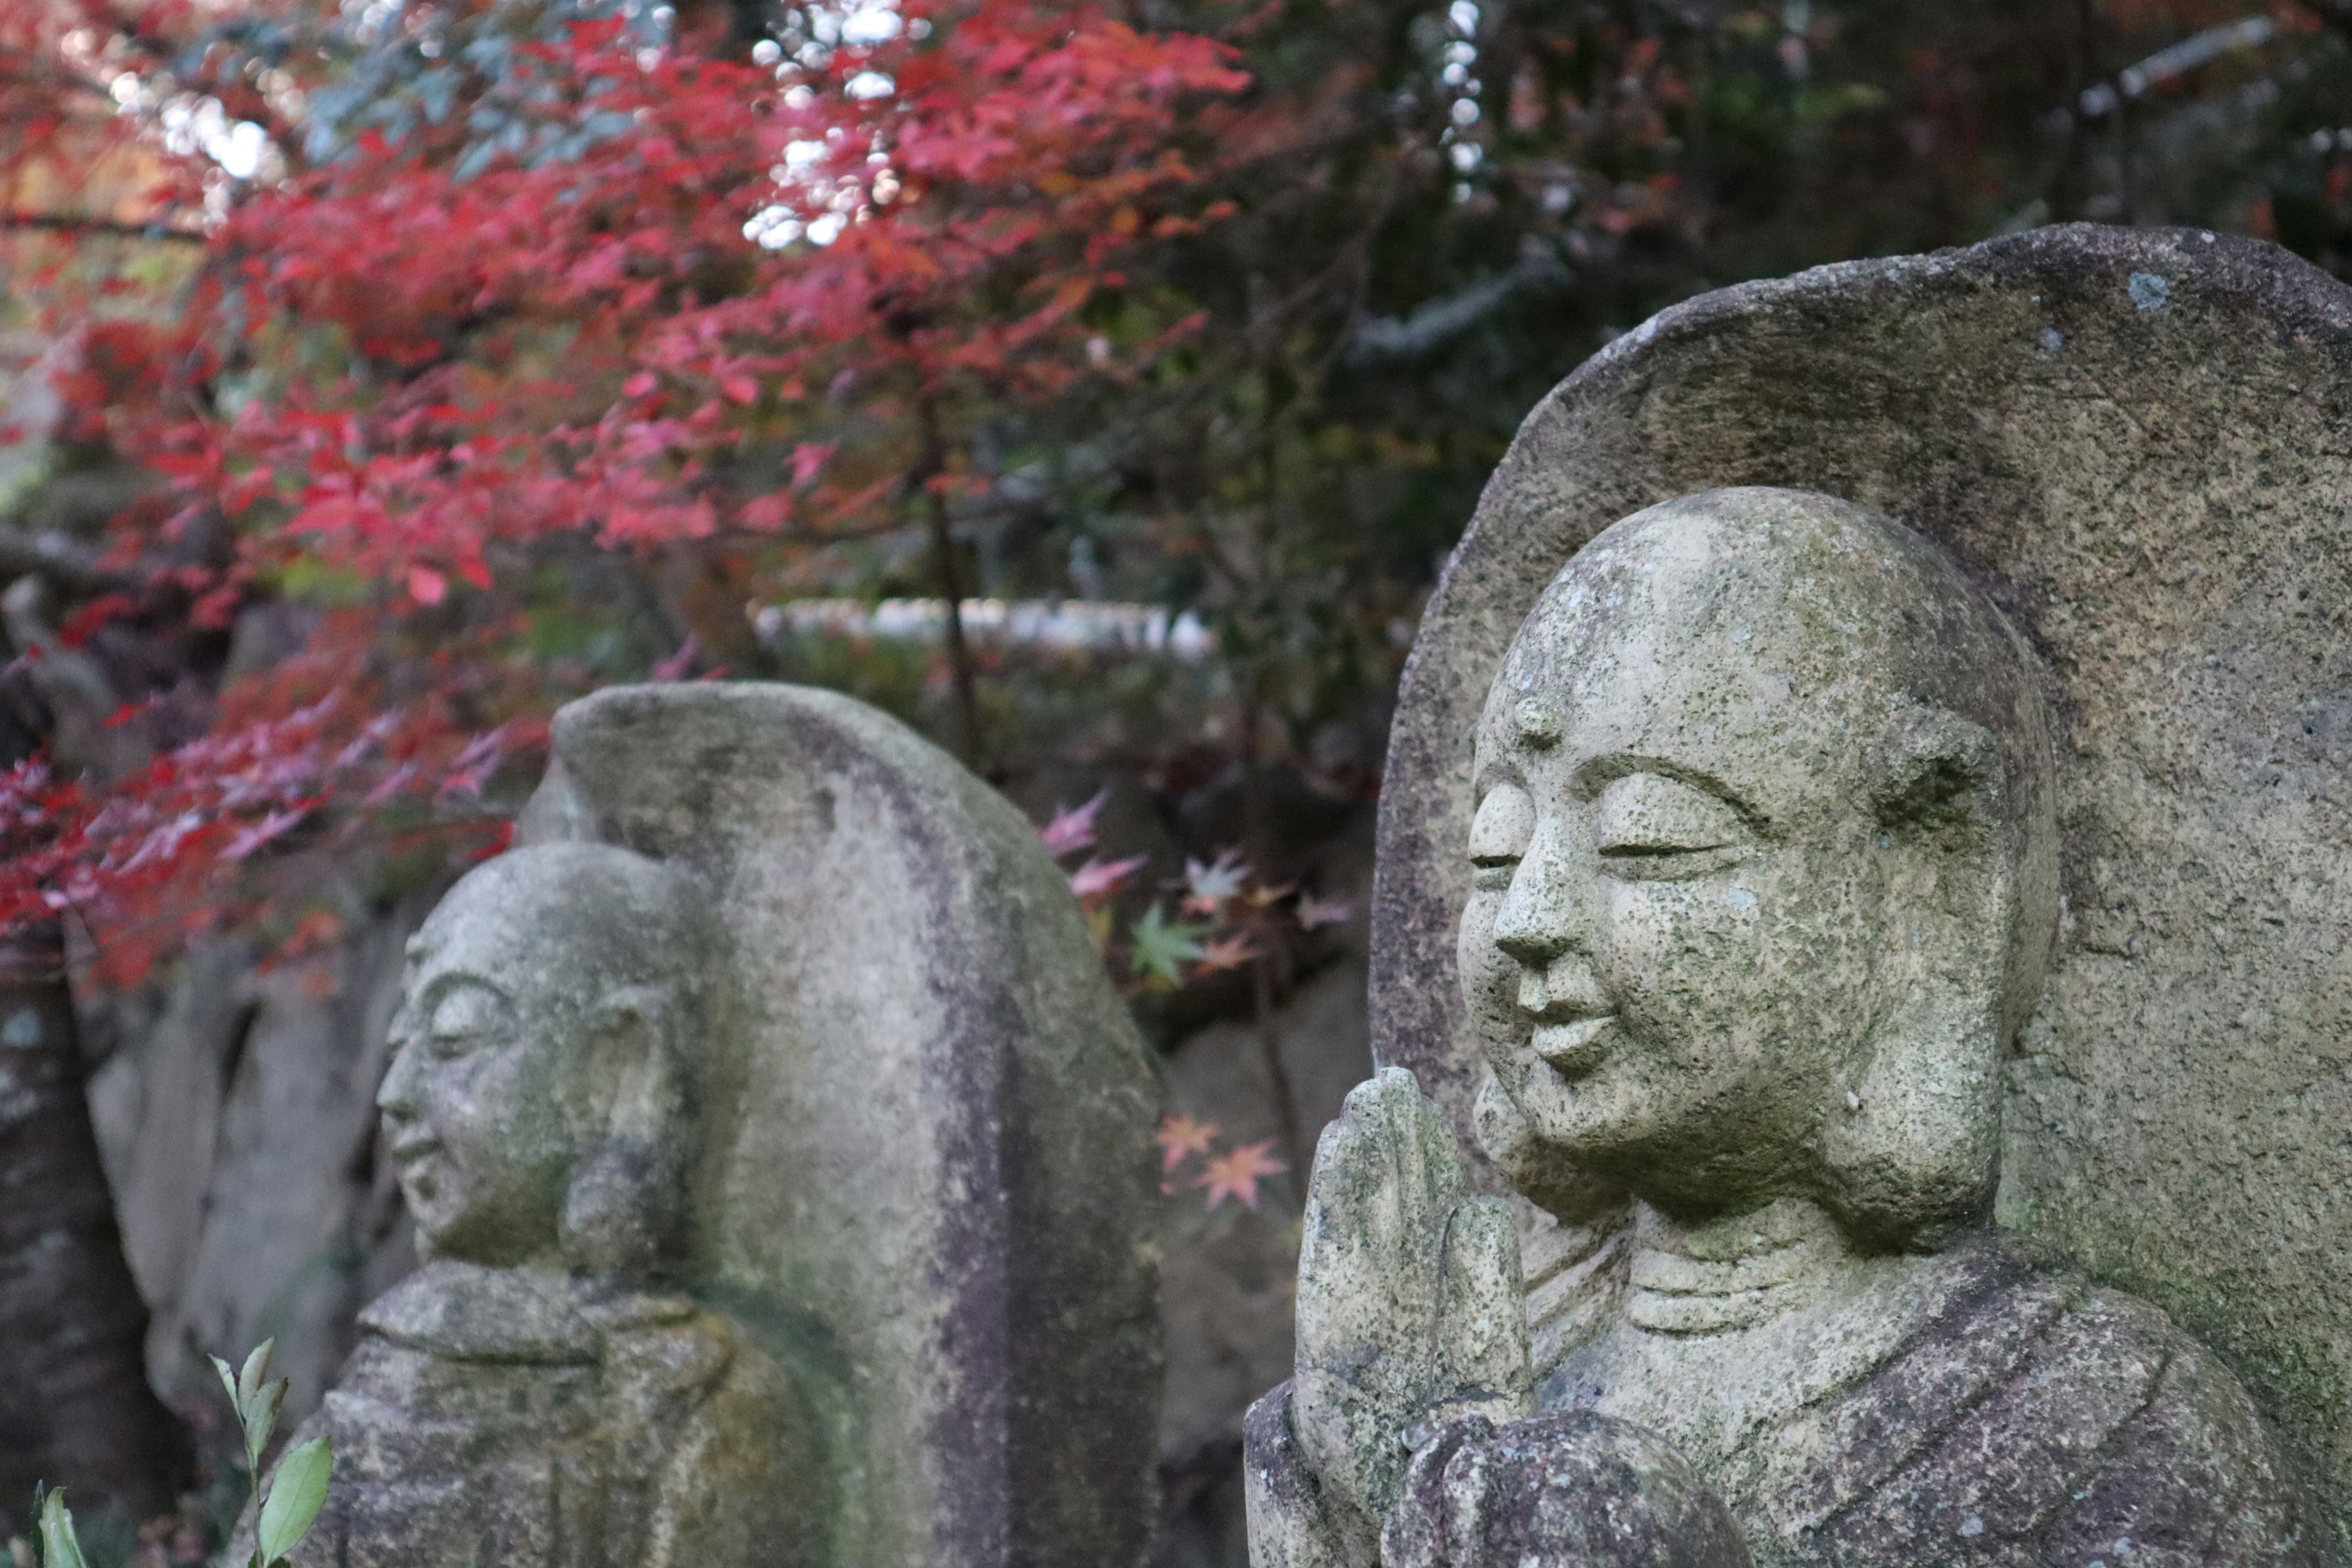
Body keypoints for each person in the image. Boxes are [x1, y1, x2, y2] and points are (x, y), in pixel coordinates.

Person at [1246, 489, 2313, 1567]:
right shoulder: (1494, 1357)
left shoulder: (2094, 1426)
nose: (1528, 918)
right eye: (1497, 850)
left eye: (1650, 842)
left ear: (1931, 884)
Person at [282, 842, 816, 1568]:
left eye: (456, 1037)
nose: (396, 1094)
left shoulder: (703, 1409)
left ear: (622, 1067)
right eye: (402, 1046)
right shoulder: (395, 1365)